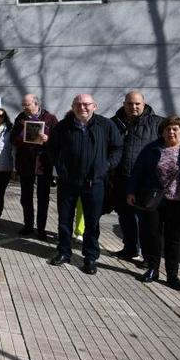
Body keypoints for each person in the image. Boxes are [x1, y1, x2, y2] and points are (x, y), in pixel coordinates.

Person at [128, 116, 180, 291]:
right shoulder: (151, 149)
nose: (171, 132)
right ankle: (153, 269)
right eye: (168, 129)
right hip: (154, 201)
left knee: (173, 240)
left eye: (175, 129)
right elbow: (137, 172)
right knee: (152, 236)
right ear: (162, 132)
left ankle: (172, 275)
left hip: (178, 203)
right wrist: (131, 192)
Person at [46, 95, 123, 274]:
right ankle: (64, 251)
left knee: (92, 221)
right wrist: (60, 167)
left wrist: (108, 165)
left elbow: (117, 147)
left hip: (94, 182)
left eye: (86, 104)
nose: (83, 107)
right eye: (78, 104)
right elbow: (51, 149)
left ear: (94, 106)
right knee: (64, 220)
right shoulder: (62, 126)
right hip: (68, 182)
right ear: (73, 107)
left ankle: (90, 257)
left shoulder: (105, 125)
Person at [110, 91, 163, 262]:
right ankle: (130, 249)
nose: (133, 107)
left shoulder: (157, 123)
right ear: (124, 104)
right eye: (130, 103)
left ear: (144, 104)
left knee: (146, 222)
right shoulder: (114, 123)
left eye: (137, 104)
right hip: (121, 178)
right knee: (125, 217)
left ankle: (149, 257)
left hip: (146, 182)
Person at [11, 94, 58, 240]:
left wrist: (48, 139)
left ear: (36, 104)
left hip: (43, 164)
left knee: (43, 198)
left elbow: (59, 140)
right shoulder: (20, 118)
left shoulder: (50, 118)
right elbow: (13, 139)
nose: (24, 108)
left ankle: (41, 229)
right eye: (23, 105)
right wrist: (22, 132)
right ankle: (28, 225)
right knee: (26, 197)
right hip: (26, 163)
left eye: (27, 105)